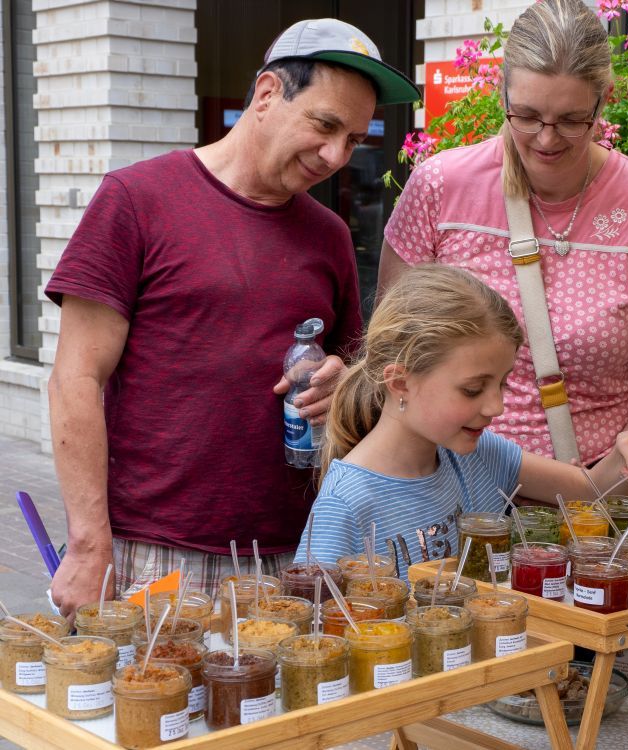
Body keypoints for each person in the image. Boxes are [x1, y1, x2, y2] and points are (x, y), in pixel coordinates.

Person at [44, 18, 420, 621]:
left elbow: (356, 372)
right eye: (325, 126)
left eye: (353, 139)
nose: (335, 156)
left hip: (298, 553)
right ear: (267, 94)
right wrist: (90, 545)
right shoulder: (136, 199)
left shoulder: (329, 235)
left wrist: (341, 380)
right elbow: (75, 379)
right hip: (155, 551)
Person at [379, 0, 628, 473]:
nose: (546, 140)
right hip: (452, 491)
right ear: (501, 91)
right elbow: (393, 357)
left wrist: (611, 487)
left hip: (595, 500)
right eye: (526, 116)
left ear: (604, 100)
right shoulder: (439, 187)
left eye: (572, 120)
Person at [295, 265, 628, 580]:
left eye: (503, 382)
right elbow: (312, 638)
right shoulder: (345, 503)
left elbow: (590, 494)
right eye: (473, 389)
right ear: (399, 382)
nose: (497, 406)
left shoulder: (481, 456)